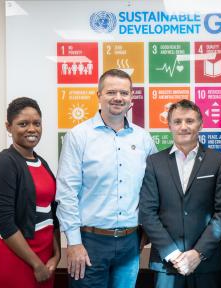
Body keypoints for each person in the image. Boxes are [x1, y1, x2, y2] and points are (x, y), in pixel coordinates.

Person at [56, 69, 157, 288]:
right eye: (111, 92)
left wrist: (146, 230)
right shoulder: (78, 136)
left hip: (131, 242)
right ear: (98, 95)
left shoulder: (143, 138)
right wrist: (73, 243)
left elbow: (153, 189)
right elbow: (66, 193)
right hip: (90, 242)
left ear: (131, 98)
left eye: (124, 92)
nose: (118, 98)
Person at [139, 99, 221, 288]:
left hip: (206, 262)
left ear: (201, 124)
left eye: (190, 121)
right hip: (166, 264)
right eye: (177, 121)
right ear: (169, 126)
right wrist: (173, 254)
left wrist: (198, 253)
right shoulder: (154, 162)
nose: (184, 127)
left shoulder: (218, 160)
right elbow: (148, 213)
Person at [0, 97, 61, 288]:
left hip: (45, 261)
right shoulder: (2, 163)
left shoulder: (41, 163)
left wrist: (57, 255)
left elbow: (52, 213)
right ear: (9, 127)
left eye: (37, 123)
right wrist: (36, 264)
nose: (32, 129)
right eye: (23, 124)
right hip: (15, 261)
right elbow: (4, 223)